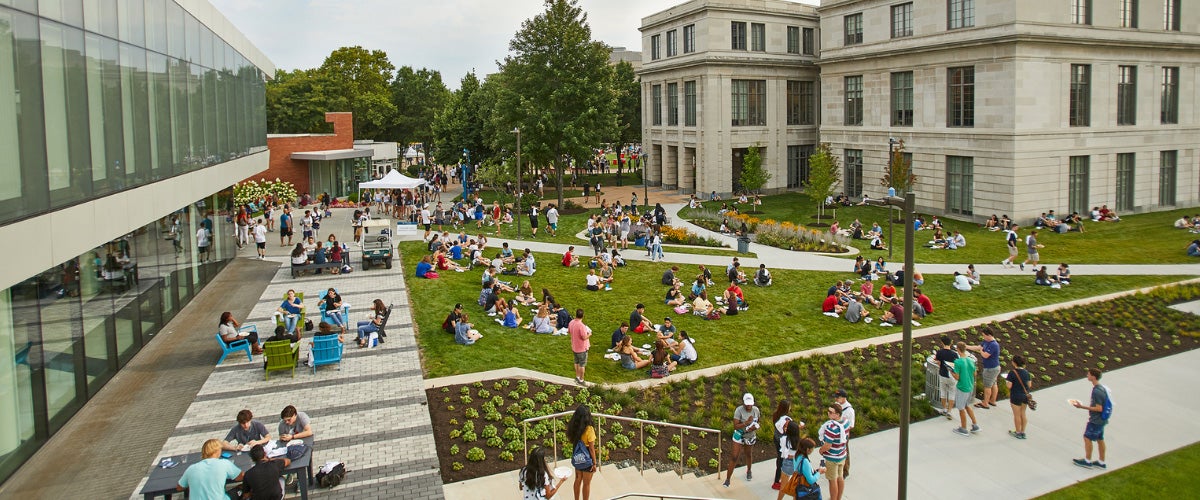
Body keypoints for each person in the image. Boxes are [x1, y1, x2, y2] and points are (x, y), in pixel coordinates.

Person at [176, 439, 244, 499]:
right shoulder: (224, 463)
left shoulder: (191, 468)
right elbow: (240, 477)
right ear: (218, 451)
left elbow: (179, 487)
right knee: (243, 488)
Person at [1072, 368, 1112, 469]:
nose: (1087, 376)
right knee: (1100, 439)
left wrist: (1081, 407)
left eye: (1089, 374)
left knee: (1087, 437)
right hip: (1102, 420)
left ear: (1093, 377)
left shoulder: (1097, 391)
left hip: (1096, 420)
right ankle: (1101, 462)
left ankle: (1087, 461)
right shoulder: (1102, 388)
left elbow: (1099, 408)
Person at [723, 393, 761, 487]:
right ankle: (727, 479)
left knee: (748, 453)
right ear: (743, 403)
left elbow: (758, 421)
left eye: (750, 404)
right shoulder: (739, 410)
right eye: (747, 404)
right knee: (734, 456)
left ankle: (749, 470)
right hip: (739, 434)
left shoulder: (756, 410)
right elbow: (735, 426)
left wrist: (754, 427)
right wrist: (746, 423)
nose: (749, 406)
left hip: (750, 435)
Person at [567, 405, 598, 500]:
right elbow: (592, 449)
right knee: (586, 483)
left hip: (577, 455)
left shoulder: (574, 427)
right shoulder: (589, 429)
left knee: (577, 479)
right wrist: (594, 463)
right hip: (587, 456)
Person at [950, 342, 981, 436]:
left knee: (961, 408)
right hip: (970, 386)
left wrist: (951, 372)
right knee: (967, 405)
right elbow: (975, 373)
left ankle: (963, 428)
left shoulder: (958, 362)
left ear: (958, 350)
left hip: (962, 387)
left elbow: (957, 377)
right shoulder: (971, 360)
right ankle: (975, 425)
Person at [818, 404, 848, 500]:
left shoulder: (832, 427)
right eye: (828, 411)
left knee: (832, 480)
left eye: (831, 412)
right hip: (842, 455)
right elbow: (847, 436)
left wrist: (821, 450)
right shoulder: (845, 422)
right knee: (840, 478)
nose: (828, 413)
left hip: (832, 458)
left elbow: (827, 445)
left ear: (837, 414)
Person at [1005, 355, 1032, 440]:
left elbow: (1009, 386)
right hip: (1025, 396)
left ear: (1014, 363)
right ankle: (1023, 432)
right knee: (1023, 413)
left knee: (1016, 415)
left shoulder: (1012, 373)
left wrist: (1007, 381)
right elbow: (1029, 385)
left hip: (1016, 395)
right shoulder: (1027, 372)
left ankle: (1017, 432)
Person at [770, 399, 793, 491]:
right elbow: (789, 430)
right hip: (783, 442)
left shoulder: (776, 415)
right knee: (781, 460)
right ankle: (776, 482)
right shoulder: (786, 419)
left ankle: (778, 477)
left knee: (779, 457)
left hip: (776, 439)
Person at [833, 389, 856, 479]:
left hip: (844, 435)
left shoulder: (849, 410)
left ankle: (845, 471)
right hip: (835, 432)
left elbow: (850, 425)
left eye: (838, 397)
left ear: (844, 398)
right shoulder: (837, 405)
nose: (836, 399)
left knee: (844, 452)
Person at [935, 335, 958, 419]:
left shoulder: (940, 352)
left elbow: (938, 362)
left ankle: (944, 409)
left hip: (942, 374)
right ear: (951, 343)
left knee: (943, 392)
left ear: (942, 343)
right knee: (952, 393)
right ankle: (949, 411)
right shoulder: (954, 354)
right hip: (951, 376)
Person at [569, 309, 592, 386]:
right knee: (582, 364)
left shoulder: (571, 322)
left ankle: (577, 377)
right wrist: (589, 334)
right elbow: (584, 337)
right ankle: (581, 380)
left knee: (576, 362)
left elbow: (569, 331)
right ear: (583, 316)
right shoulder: (581, 326)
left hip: (574, 346)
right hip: (582, 348)